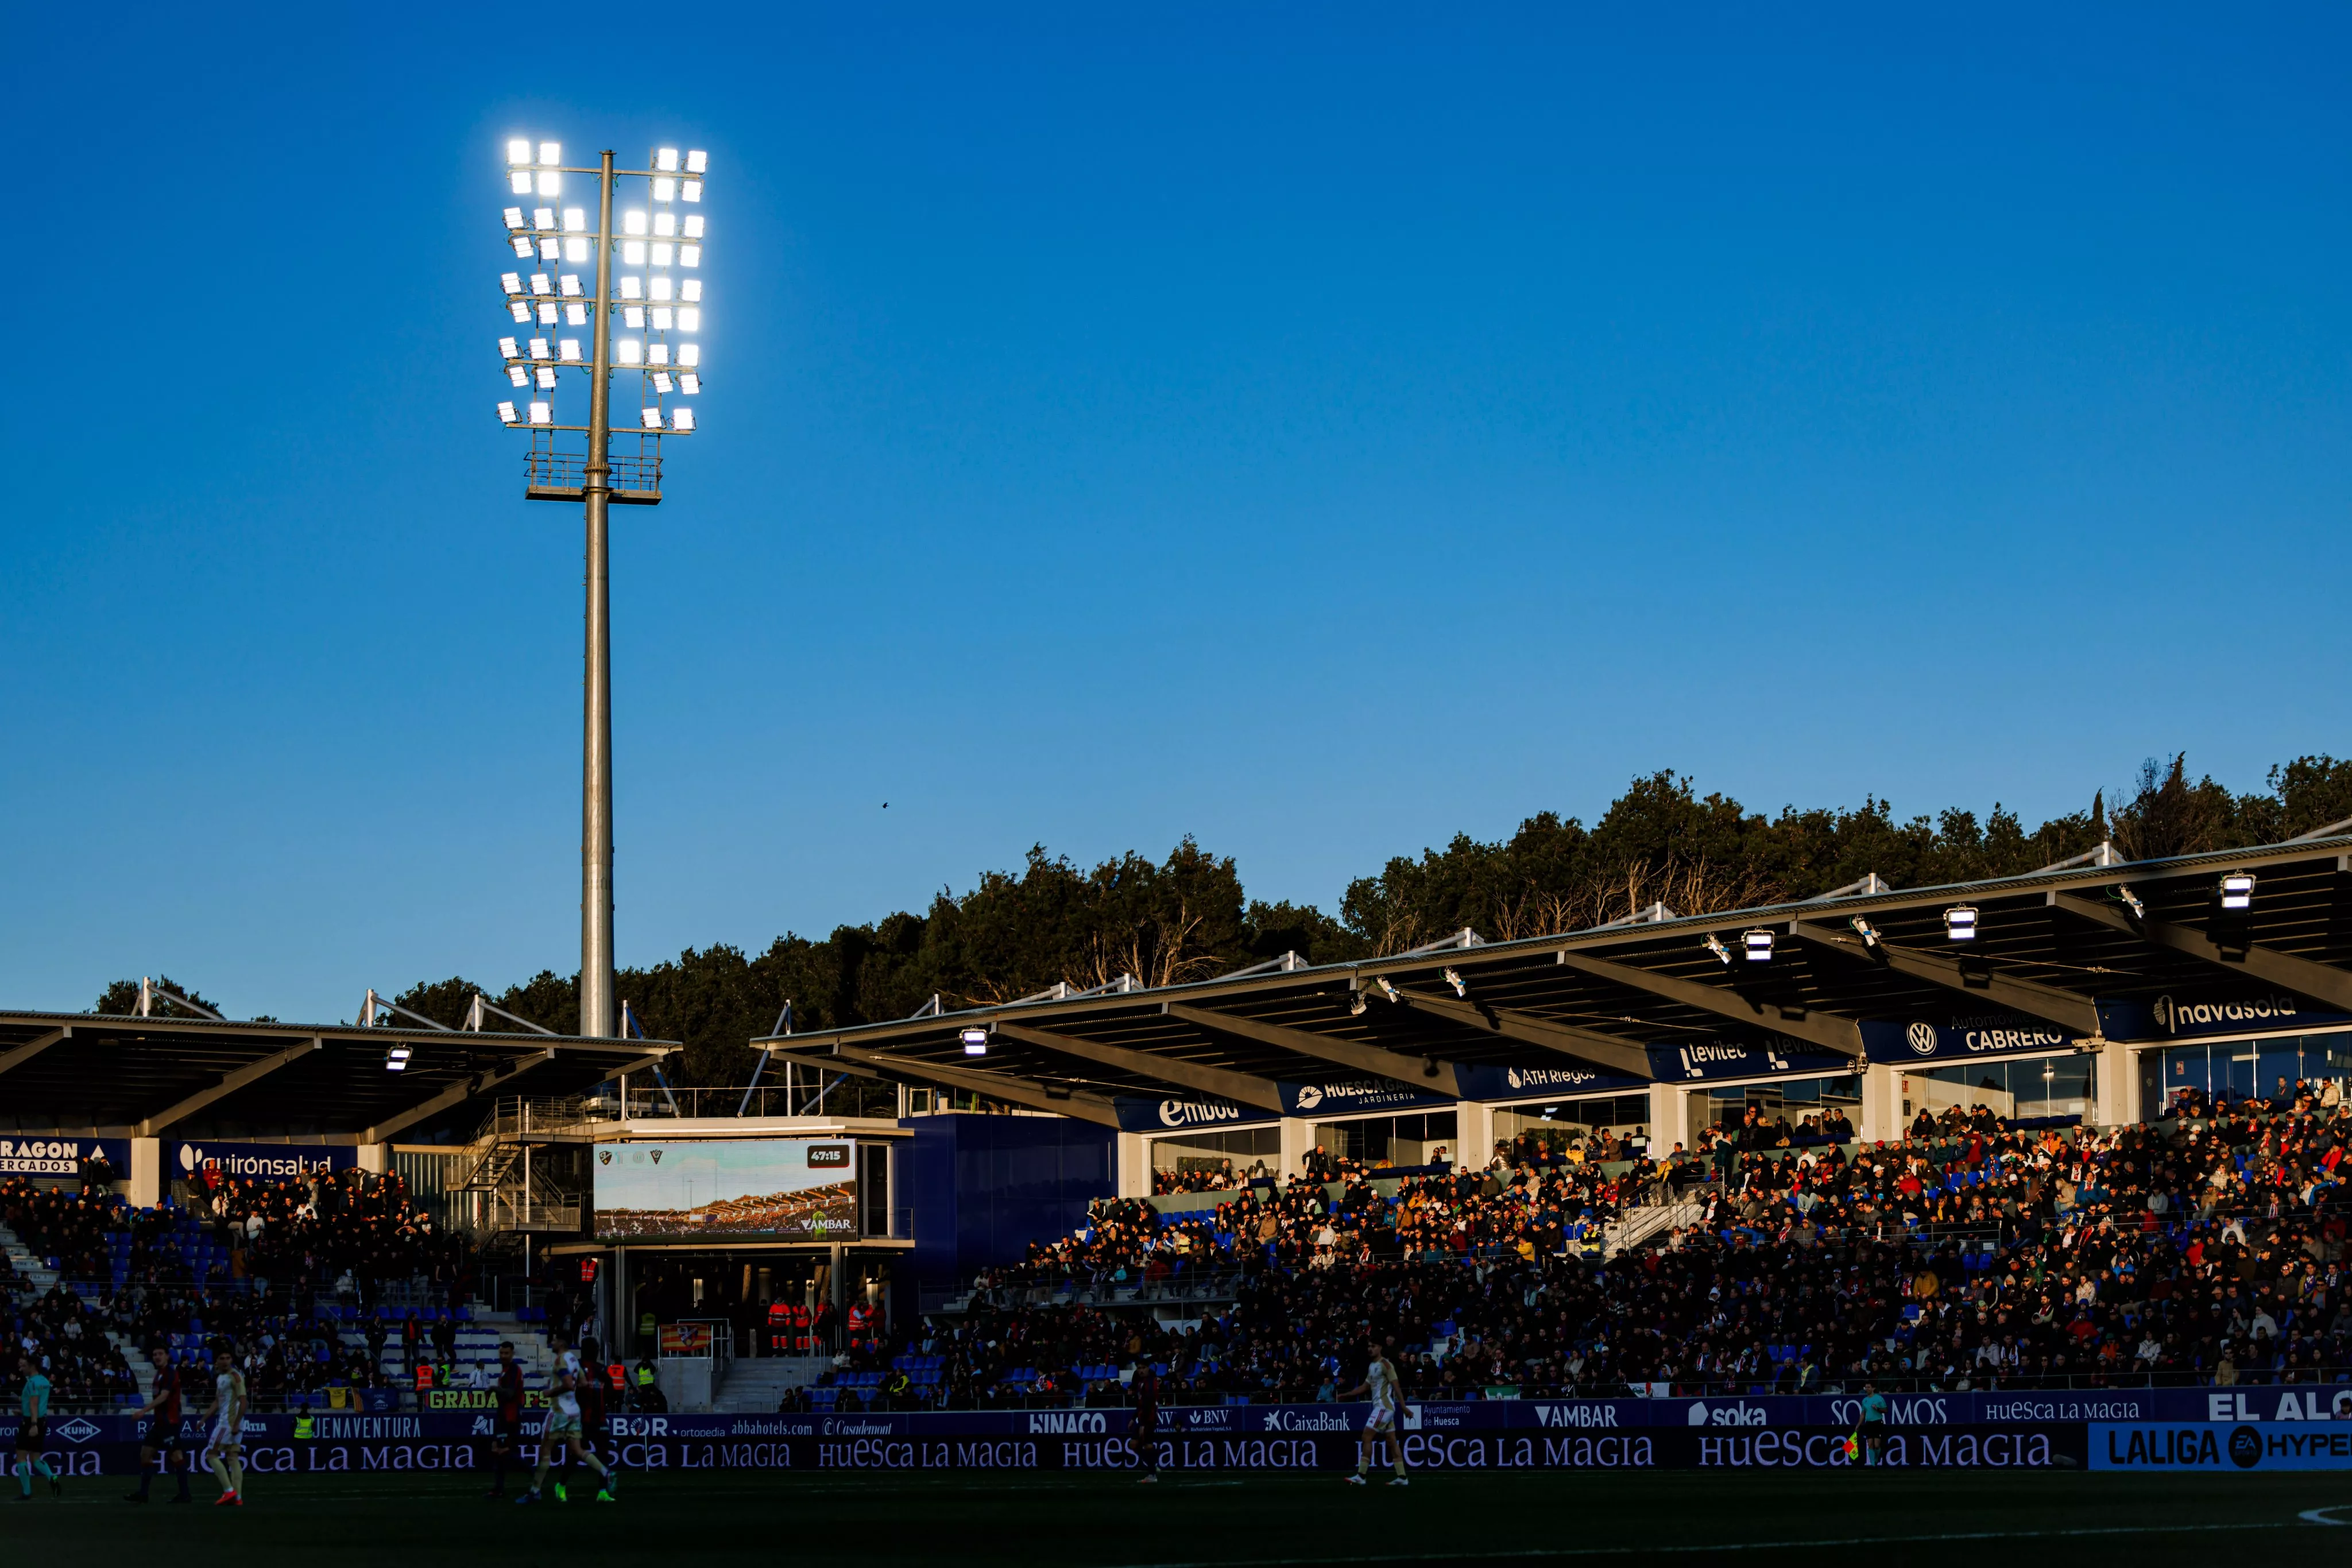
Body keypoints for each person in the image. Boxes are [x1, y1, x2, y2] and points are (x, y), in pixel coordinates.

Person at [515, 1335, 613, 1505]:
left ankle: (538, 1490)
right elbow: (577, 1385)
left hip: (580, 1415)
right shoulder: (576, 1362)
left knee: (552, 1451)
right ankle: (566, 1483)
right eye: (595, 1348)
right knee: (575, 1453)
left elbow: (574, 1385)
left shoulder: (583, 1365)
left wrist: (551, 1392)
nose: (597, 1350)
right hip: (578, 1416)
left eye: (554, 1341)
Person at [125, 1346, 193, 1503]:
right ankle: (143, 1494)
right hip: (160, 1423)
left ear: (167, 1356)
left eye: (160, 1354)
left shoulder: (170, 1373)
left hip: (170, 1423)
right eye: (155, 1354)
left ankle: (185, 1494)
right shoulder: (159, 1374)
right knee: (145, 1453)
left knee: (176, 1456)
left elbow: (164, 1397)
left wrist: (143, 1411)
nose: (157, 1357)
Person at [1338, 1337, 1407, 1486]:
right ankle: (1402, 1477)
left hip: (1384, 1408)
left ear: (1380, 1348)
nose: (1370, 1349)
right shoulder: (1372, 1366)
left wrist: (1404, 1407)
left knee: (1366, 1436)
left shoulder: (1386, 1365)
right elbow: (1365, 1387)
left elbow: (1396, 1387)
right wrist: (1348, 1394)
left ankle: (1361, 1475)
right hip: (1382, 1408)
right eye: (1369, 1346)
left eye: (1373, 1346)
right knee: (1391, 1441)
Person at [202, 1346, 247, 1507]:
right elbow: (217, 1402)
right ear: (217, 1361)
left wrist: (235, 1424)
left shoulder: (235, 1376)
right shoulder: (220, 1377)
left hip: (228, 1423)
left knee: (211, 1455)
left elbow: (244, 1401)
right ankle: (238, 1498)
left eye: (228, 1358)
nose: (225, 1361)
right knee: (232, 1457)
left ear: (232, 1360)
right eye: (222, 1358)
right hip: (232, 1423)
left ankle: (229, 1491)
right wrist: (204, 1419)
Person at [14, 1353, 60, 1500]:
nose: (22, 1368)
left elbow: (34, 1404)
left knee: (21, 1456)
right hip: (42, 1420)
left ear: (32, 1366)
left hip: (31, 1422)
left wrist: (33, 1424)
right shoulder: (45, 1381)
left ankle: (27, 1492)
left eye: (25, 1366)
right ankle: (52, 1477)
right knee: (36, 1458)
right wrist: (23, 1411)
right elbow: (39, 1405)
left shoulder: (32, 1382)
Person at [485, 1342, 525, 1499]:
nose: (503, 1356)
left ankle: (537, 1479)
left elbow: (510, 1394)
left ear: (512, 1354)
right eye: (501, 1353)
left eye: (506, 1353)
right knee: (499, 1453)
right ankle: (498, 1489)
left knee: (507, 1453)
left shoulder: (514, 1370)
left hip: (511, 1418)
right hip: (504, 1416)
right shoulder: (505, 1371)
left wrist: (495, 1389)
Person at [1129, 1361, 1160, 1485]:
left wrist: (1142, 1423)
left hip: (1149, 1419)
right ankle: (1153, 1466)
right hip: (1143, 1418)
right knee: (1134, 1444)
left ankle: (1152, 1474)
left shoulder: (1150, 1382)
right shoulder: (1141, 1382)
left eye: (1143, 1368)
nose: (1141, 1370)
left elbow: (1149, 1402)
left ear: (1148, 1369)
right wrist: (1133, 1418)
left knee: (1146, 1445)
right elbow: (1141, 1404)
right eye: (1139, 1368)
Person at [1857, 1381, 1887, 1468]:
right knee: (1870, 1444)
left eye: (1869, 1387)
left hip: (1877, 1422)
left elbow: (1886, 1410)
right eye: (1866, 1388)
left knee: (1877, 1445)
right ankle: (1873, 1464)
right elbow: (1863, 1414)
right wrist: (1858, 1425)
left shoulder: (1879, 1398)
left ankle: (1876, 1458)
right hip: (1869, 1423)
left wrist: (1877, 1408)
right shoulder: (1865, 1400)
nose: (1867, 1389)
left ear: (1873, 1388)